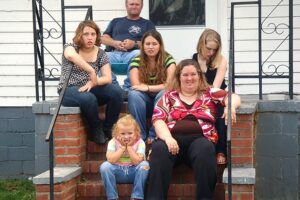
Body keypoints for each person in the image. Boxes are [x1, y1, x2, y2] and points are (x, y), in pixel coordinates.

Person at [146, 59, 241, 200]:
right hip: (172, 140)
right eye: (185, 75)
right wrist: (168, 138)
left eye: (193, 74)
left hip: (199, 140)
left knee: (205, 148)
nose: (189, 78)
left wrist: (230, 106)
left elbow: (232, 96)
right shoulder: (169, 96)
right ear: (178, 77)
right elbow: (158, 120)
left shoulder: (209, 93)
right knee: (159, 149)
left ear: (199, 76)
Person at [57, 20, 123, 144]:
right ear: (79, 36)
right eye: (86, 34)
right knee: (89, 98)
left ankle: (108, 128)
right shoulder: (71, 47)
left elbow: (107, 77)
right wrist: (91, 70)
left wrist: (94, 82)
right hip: (68, 89)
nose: (90, 37)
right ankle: (96, 130)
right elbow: (71, 56)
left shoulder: (100, 53)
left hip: (90, 86)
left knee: (116, 92)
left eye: (93, 34)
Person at [127, 30, 176, 141]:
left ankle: (154, 134)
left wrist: (148, 87)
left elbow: (170, 85)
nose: (151, 47)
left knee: (164, 93)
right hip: (144, 102)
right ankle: (141, 135)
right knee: (134, 94)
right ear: (143, 46)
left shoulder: (168, 59)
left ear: (160, 45)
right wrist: (154, 87)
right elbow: (135, 85)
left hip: (161, 102)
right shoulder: (136, 60)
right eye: (147, 44)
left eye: (154, 44)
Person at [101, 0, 156, 89]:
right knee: (99, 56)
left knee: (138, 54)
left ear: (141, 6)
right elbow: (102, 39)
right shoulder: (116, 21)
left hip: (134, 54)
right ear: (126, 6)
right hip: (115, 54)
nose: (134, 6)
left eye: (137, 4)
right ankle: (114, 87)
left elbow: (153, 44)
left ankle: (128, 88)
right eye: (131, 4)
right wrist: (115, 43)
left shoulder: (148, 24)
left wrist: (134, 44)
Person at [192, 28, 228, 164]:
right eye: (208, 48)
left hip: (216, 97)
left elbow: (215, 87)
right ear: (201, 44)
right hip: (198, 96)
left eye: (214, 49)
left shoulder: (221, 60)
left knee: (220, 114)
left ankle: (221, 151)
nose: (211, 52)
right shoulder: (194, 59)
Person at [100, 114, 149, 200]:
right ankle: (112, 197)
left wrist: (129, 147)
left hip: (134, 173)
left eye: (130, 133)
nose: (126, 136)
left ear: (136, 133)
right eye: (122, 133)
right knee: (105, 166)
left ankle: (137, 196)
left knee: (144, 165)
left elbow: (137, 162)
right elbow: (110, 160)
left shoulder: (140, 142)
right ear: (116, 133)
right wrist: (122, 147)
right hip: (118, 172)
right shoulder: (113, 142)